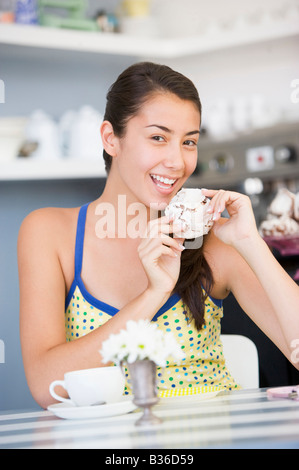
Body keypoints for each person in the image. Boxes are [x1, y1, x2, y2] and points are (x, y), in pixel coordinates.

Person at [18, 62, 299, 409]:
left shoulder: (211, 241)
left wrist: (251, 244)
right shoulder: (49, 232)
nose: (177, 161)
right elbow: (47, 386)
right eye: (158, 137)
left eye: (189, 142)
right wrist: (154, 293)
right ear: (111, 138)